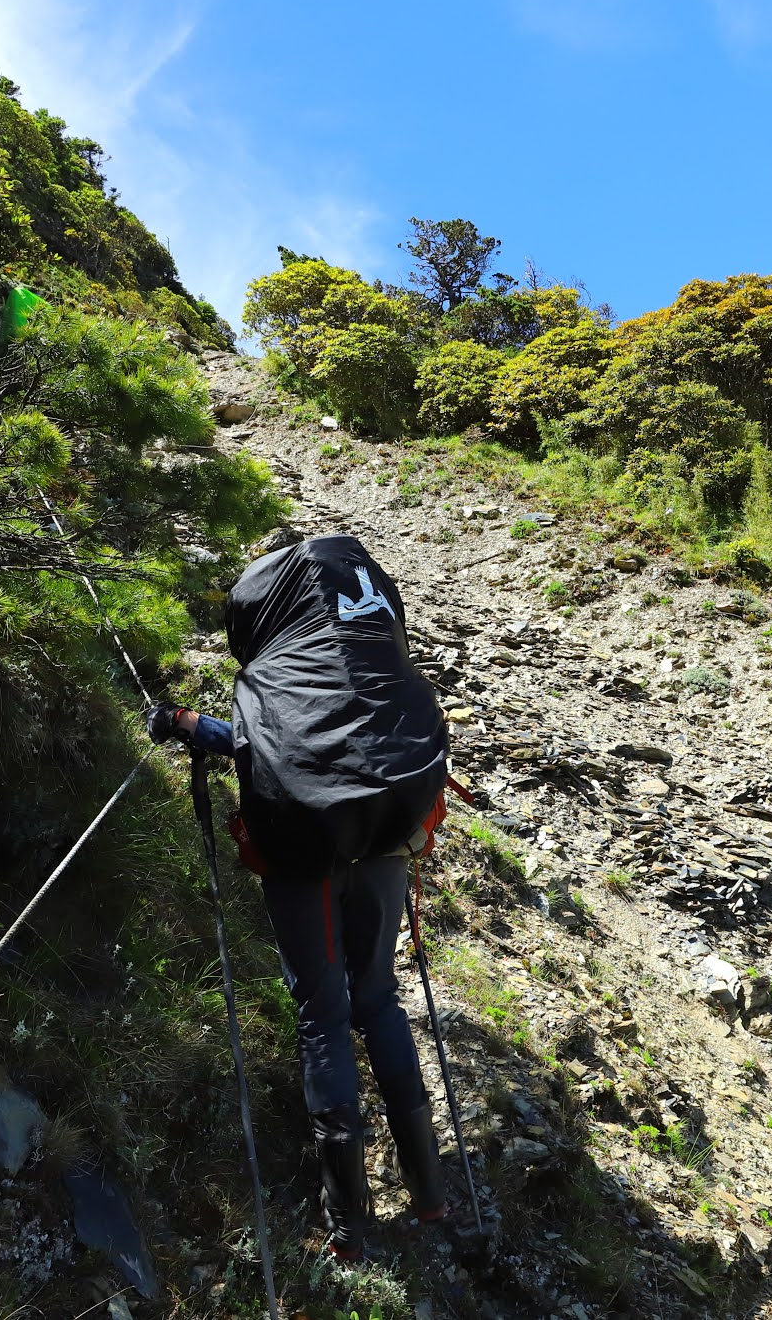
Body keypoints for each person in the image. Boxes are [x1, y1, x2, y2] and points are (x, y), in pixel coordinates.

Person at [148, 533, 450, 1262]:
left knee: (323, 1012)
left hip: (305, 844)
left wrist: (186, 724)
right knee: (377, 997)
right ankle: (432, 1190)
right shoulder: (361, 639)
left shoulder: (278, 669)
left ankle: (346, 1224)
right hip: (383, 827)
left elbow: (263, 744)